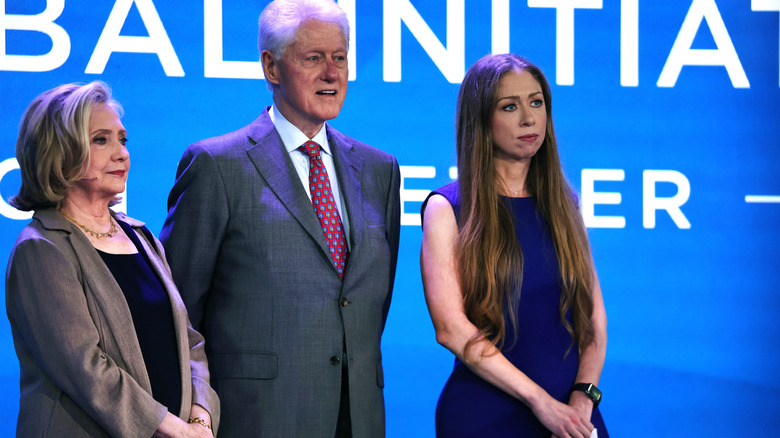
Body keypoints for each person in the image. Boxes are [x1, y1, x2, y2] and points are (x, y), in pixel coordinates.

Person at [159, 0, 401, 436]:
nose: (332, 73)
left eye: (340, 57)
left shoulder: (380, 170)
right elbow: (178, 315)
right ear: (272, 68)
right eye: (314, 58)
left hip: (358, 418)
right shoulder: (218, 165)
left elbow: (368, 305)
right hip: (256, 417)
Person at [5, 82, 220, 437]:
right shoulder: (41, 248)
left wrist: (200, 417)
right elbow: (85, 368)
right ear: (59, 152)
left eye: (123, 140)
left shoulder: (141, 236)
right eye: (101, 140)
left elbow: (189, 342)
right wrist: (174, 430)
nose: (121, 153)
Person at [420, 54, 609, 438]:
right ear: (481, 121)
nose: (529, 118)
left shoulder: (565, 205)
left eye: (536, 102)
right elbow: (450, 329)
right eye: (510, 106)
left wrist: (581, 401)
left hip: (572, 418)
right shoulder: (448, 208)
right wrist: (541, 403)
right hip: (486, 416)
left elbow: (593, 322)